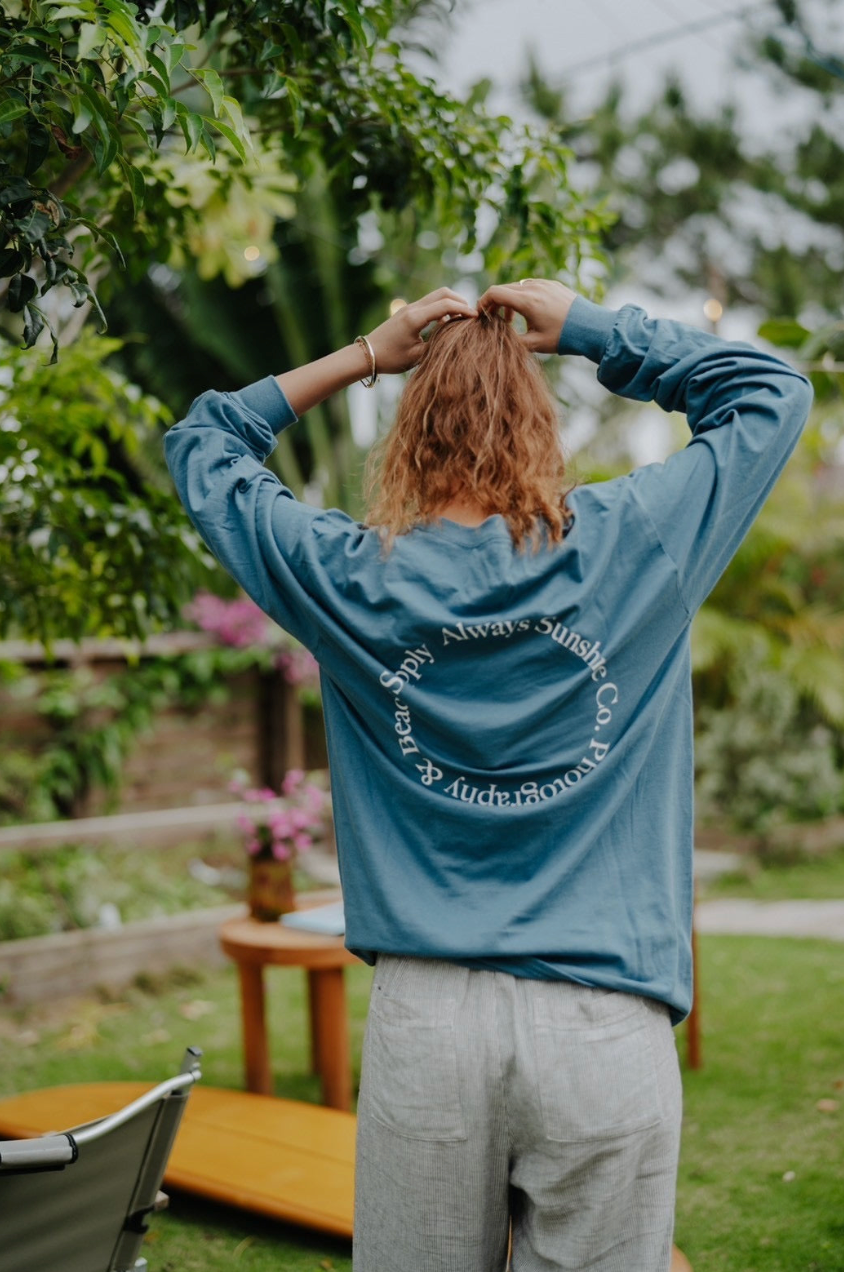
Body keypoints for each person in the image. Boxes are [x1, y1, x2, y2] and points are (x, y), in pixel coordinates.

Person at [164, 281, 812, 1271]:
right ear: (537, 427)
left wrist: (368, 353)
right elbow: (771, 391)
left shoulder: (349, 575)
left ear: (411, 437)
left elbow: (204, 442)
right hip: (606, 1019)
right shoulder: (639, 541)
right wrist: (593, 330)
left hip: (430, 1023)